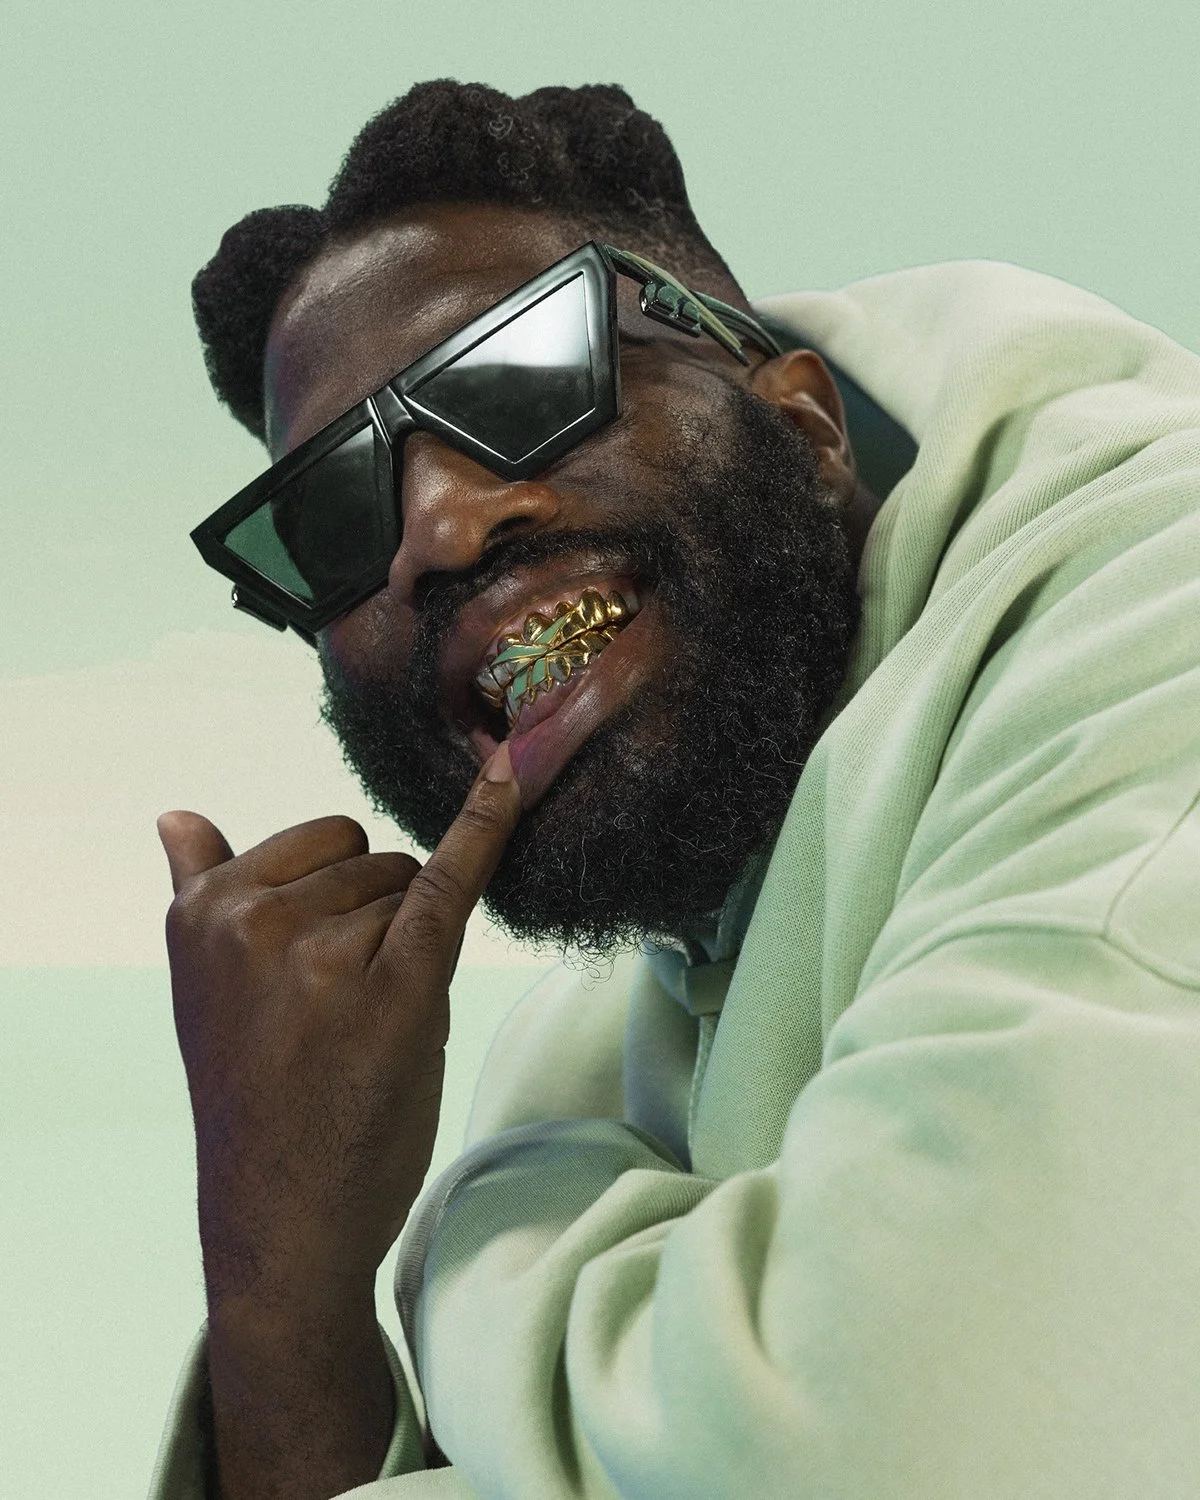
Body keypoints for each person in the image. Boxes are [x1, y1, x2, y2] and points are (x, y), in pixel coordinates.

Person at [148, 80, 1200, 1500]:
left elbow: (892, 1439)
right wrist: (279, 1287)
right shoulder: (578, 1046)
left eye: (520, 378)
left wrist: (480, 1217)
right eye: (337, 515)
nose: (436, 530)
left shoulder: (1160, 624)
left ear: (809, 423)